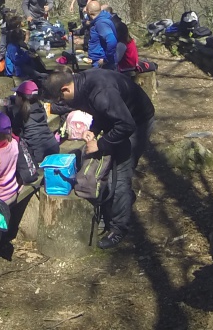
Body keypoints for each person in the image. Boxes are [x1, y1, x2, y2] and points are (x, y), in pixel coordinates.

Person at [43, 65, 155, 250]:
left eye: (61, 99)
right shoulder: (81, 86)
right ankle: (118, 203)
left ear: (65, 89)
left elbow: (126, 125)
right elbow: (102, 111)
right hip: (121, 117)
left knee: (120, 174)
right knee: (111, 167)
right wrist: (93, 130)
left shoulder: (99, 91)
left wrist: (100, 144)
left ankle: (119, 228)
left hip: (137, 120)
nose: (63, 103)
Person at [7, 79, 59, 163]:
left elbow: (14, 129)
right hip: (53, 146)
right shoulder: (40, 107)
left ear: (20, 98)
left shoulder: (21, 112)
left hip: (37, 154)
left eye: (17, 95)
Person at [85, 0, 118, 69]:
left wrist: (105, 59)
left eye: (86, 9)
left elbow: (112, 41)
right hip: (97, 61)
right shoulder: (97, 21)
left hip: (102, 64)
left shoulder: (101, 23)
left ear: (90, 12)